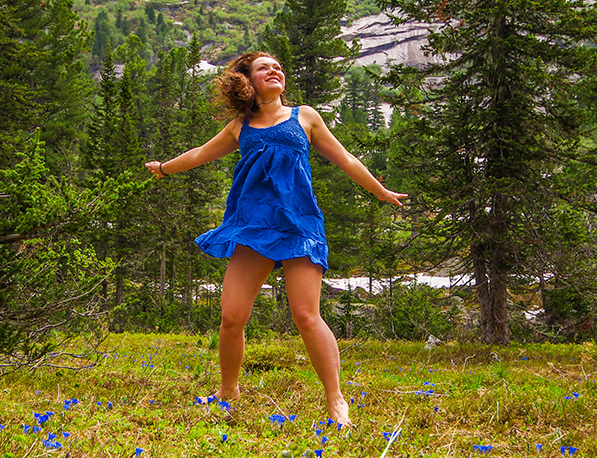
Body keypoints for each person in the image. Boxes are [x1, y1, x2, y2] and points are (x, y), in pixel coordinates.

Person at [146, 52, 407, 427]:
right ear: (247, 82)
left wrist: (380, 191)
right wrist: (165, 168)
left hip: (298, 225)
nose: (275, 70)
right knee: (232, 316)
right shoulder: (241, 126)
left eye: (279, 66)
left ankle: (336, 399)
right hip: (253, 226)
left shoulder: (305, 116)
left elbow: (345, 158)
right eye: (264, 67)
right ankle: (228, 391)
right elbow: (202, 153)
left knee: (306, 315)